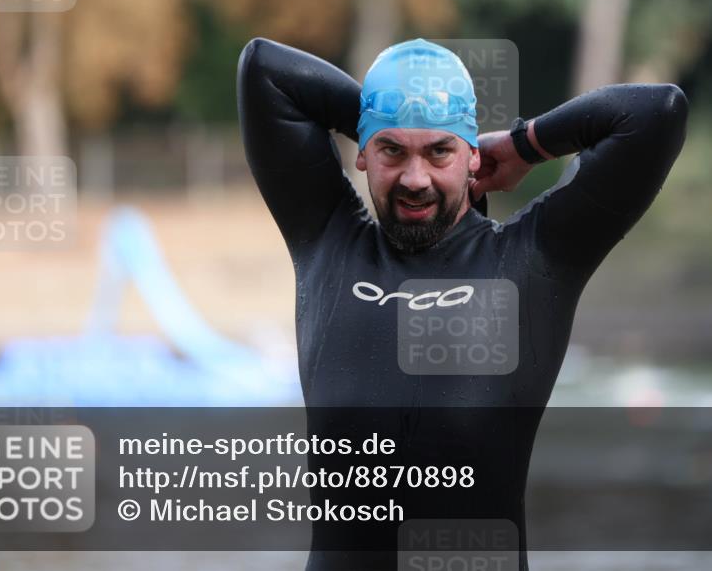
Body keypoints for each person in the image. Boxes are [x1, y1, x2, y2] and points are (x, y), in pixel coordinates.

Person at [237, 37, 688, 570]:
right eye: (391, 151)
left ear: (473, 154)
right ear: (362, 153)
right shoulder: (329, 241)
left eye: (438, 150)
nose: (414, 178)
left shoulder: (529, 265)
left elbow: (656, 113)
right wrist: (389, 111)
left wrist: (524, 145)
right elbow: (262, 69)